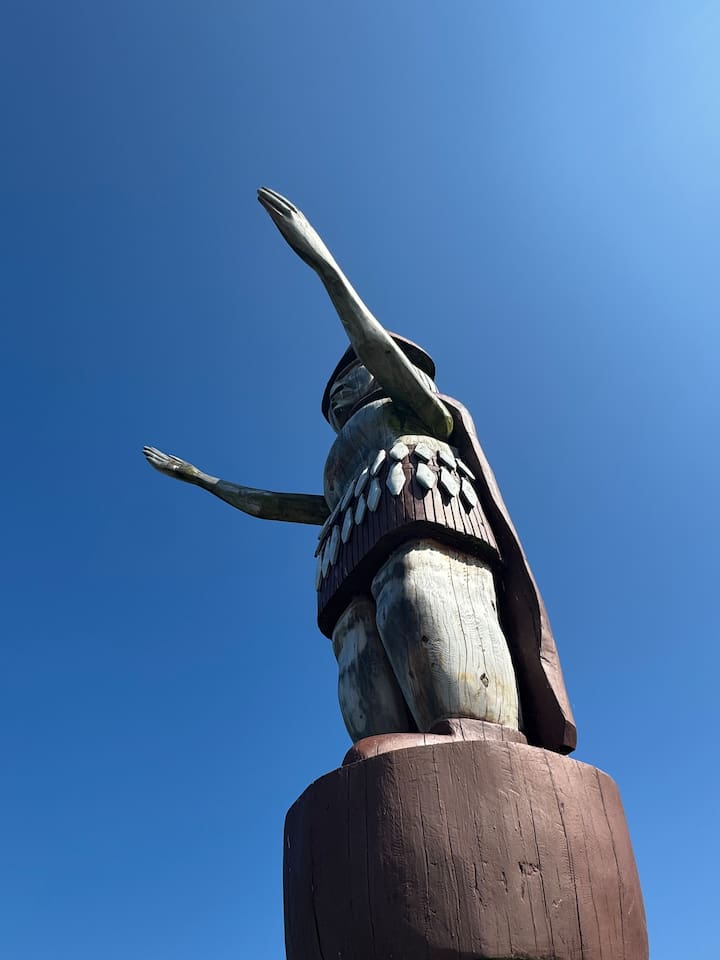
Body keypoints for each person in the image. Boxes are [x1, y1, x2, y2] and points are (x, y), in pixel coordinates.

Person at [144, 188, 576, 754]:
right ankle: (390, 736)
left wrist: (324, 265)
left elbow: (374, 348)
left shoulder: (418, 408)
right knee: (355, 636)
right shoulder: (342, 468)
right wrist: (202, 479)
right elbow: (279, 506)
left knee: (415, 588)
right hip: (355, 536)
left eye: (349, 379)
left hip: (424, 513)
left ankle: (471, 720)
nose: (338, 398)